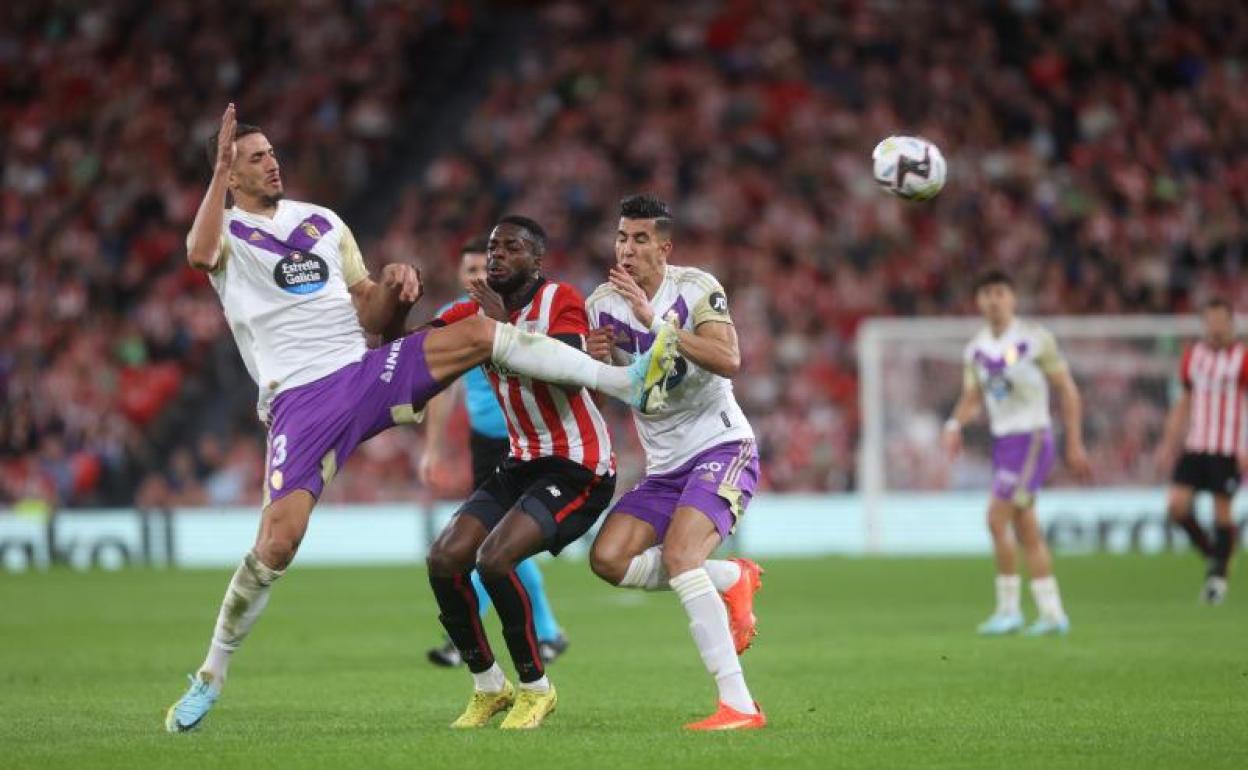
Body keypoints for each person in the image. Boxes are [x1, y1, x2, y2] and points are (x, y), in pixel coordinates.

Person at [165, 106, 678, 733]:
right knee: (277, 543)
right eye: (255, 157)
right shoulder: (226, 231)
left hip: (360, 371)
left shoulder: (323, 223)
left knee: (477, 332)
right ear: (230, 173)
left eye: (272, 152)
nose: (272, 162)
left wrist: (395, 288)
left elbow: (370, 314)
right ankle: (211, 674)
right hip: (299, 400)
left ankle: (625, 381)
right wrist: (217, 176)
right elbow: (197, 254)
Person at [422, 215, 618, 730]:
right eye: (492, 247)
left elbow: (571, 372)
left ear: (537, 260)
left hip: (579, 467)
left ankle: (536, 688)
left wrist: (499, 331)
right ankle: (488, 685)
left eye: (511, 247)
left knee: (494, 560)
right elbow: (421, 351)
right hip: (520, 462)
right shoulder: (474, 310)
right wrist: (386, 319)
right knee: (445, 557)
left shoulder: (561, 300)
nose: (497, 256)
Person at [584, 194, 766, 731]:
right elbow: (629, 387)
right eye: (622, 238)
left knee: (682, 556)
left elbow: (729, 359)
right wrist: (598, 360)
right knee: (608, 560)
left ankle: (738, 704)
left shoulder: (696, 288)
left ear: (665, 247)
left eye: (640, 239)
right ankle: (731, 578)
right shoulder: (601, 305)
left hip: (721, 446)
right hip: (664, 466)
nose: (628, 249)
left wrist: (655, 321)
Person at [421, 238, 568, 667]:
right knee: (496, 542)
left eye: (481, 271)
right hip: (485, 443)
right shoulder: (460, 318)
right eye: (468, 272)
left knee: (495, 541)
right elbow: (442, 387)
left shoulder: (517, 314)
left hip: (522, 439)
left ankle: (464, 636)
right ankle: (548, 631)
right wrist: (433, 448)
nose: (475, 279)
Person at [942, 269, 1090, 637]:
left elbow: (1067, 390)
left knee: (996, 519)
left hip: (1033, 438)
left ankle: (1009, 610)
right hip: (1004, 442)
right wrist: (953, 424)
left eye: (1000, 292)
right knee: (1026, 529)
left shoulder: (1035, 339)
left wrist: (1074, 441)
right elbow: (973, 397)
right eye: (987, 292)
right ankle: (1052, 613)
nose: (993, 299)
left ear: (1013, 298)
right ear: (978, 301)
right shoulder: (974, 349)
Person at [1157, 298, 1246, 605]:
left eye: (1221, 320)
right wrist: (1169, 443)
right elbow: (1183, 402)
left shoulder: (1242, 358)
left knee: (1222, 511)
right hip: (1196, 444)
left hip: (1228, 447)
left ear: (1231, 323)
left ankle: (1217, 579)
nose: (1216, 326)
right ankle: (1213, 553)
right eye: (1210, 320)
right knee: (1176, 506)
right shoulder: (1193, 356)